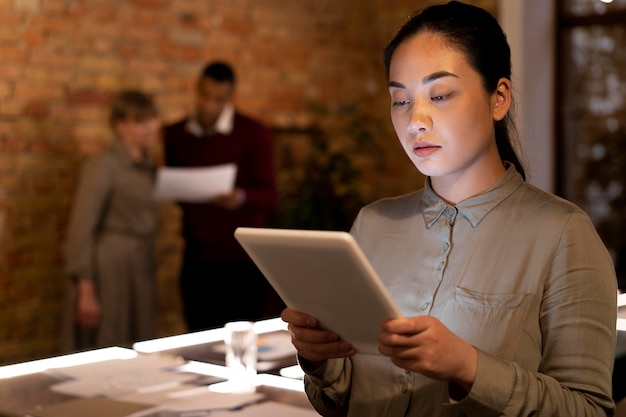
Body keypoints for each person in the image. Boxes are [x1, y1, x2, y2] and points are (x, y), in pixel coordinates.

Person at [281, 2, 618, 416]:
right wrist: (320, 359)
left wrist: (469, 366)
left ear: (499, 98)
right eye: (400, 101)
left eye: (439, 95)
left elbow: (589, 410)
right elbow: (342, 400)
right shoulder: (372, 224)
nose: (415, 121)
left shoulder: (563, 233)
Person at [163, 61, 281, 332]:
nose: (209, 106)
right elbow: (180, 195)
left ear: (229, 99)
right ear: (196, 91)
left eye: (218, 100)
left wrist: (239, 197)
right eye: (204, 96)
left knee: (243, 340)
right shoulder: (176, 134)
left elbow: (269, 195)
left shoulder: (253, 133)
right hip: (197, 259)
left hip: (243, 262)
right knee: (198, 338)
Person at [62, 90, 161, 351]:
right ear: (120, 126)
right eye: (141, 121)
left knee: (140, 343)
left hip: (141, 265)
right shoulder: (103, 165)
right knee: (111, 340)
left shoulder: (149, 164)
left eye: (152, 119)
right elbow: (81, 227)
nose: (150, 127)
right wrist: (86, 289)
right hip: (111, 267)